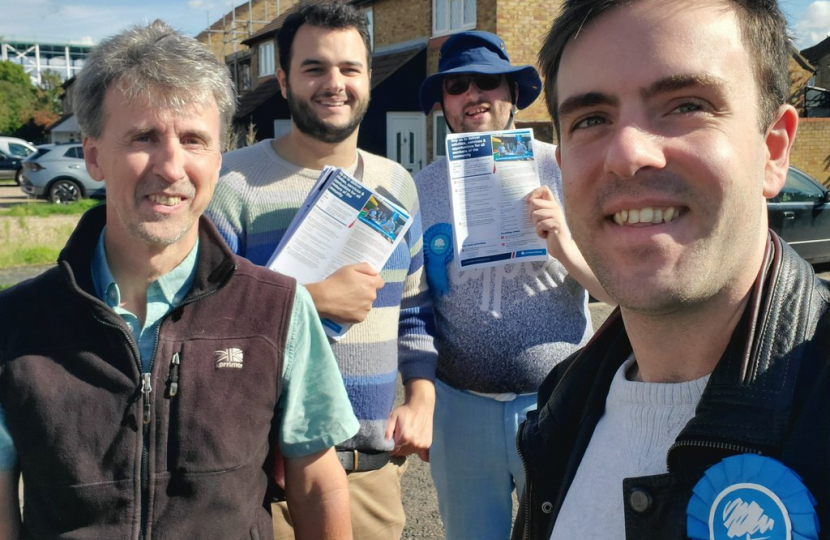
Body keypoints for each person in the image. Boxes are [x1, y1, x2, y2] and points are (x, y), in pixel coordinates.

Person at [0, 20, 358, 540]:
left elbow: (316, 484)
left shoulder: (278, 311)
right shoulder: (15, 323)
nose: (171, 167)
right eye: (144, 137)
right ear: (94, 155)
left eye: (194, 140)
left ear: (218, 158)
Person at [514, 0, 830, 538]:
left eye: (685, 105)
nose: (628, 153)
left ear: (773, 150)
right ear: (562, 163)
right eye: (591, 119)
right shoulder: (564, 401)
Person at [205, 4, 437, 539]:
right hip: (267, 479)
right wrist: (307, 300)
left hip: (373, 478)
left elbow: (416, 309)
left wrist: (422, 397)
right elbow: (201, 319)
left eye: (350, 69)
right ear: (283, 81)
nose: (335, 84)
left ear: (369, 81)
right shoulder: (233, 184)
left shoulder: (397, 184)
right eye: (314, 69)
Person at [414, 31, 611, 539]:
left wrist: (563, 240)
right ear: (443, 104)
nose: (473, 94)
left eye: (488, 82)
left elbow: (615, 290)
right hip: (459, 409)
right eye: (457, 85)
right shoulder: (423, 187)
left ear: (513, 94)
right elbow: (410, 302)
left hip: (557, 402)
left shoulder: (566, 168)